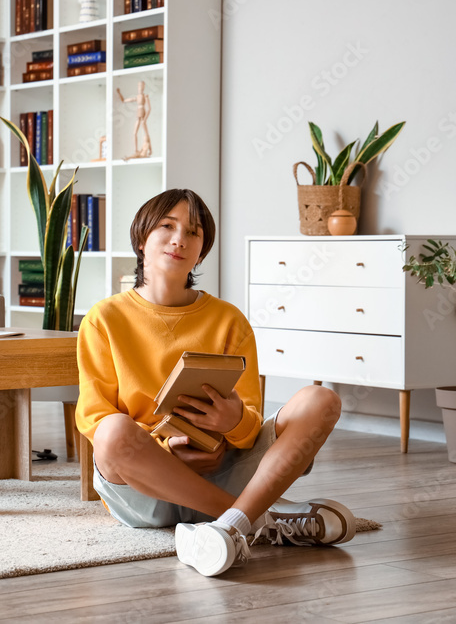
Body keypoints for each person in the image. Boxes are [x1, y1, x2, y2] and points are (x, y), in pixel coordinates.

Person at [75, 188, 355, 577]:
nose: (179, 239)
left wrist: (233, 423)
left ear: (202, 252)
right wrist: (165, 446)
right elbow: (94, 415)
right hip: (144, 490)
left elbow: (251, 419)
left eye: (193, 232)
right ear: (141, 239)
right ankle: (257, 519)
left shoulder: (229, 320)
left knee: (320, 399)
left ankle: (228, 526)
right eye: (167, 226)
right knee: (111, 433)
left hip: (224, 466)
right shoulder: (103, 319)